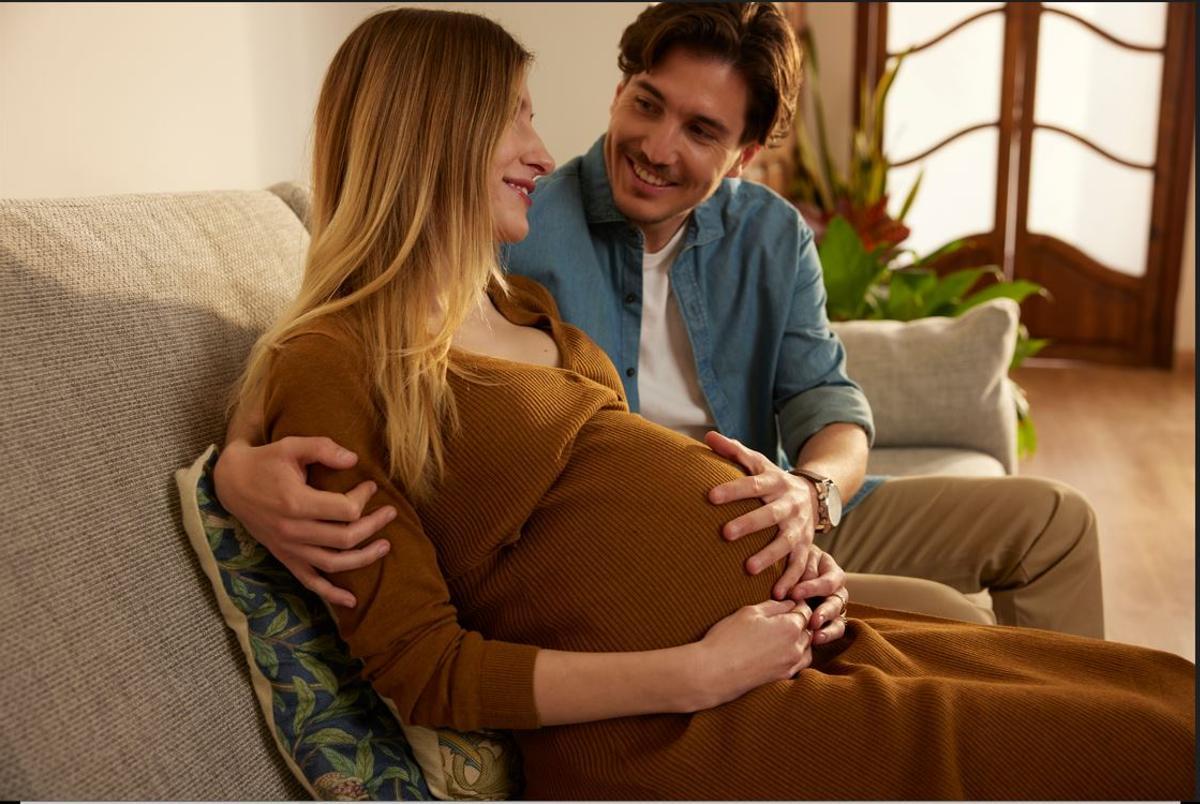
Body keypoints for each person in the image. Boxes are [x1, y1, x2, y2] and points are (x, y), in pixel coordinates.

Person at [233, 7, 1194, 799]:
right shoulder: (499, 251)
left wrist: (810, 512)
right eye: (643, 105)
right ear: (431, 131)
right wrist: (238, 468)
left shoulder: (518, 296)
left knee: (1148, 693)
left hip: (780, 591)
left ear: (741, 154)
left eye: (700, 131)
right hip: (687, 713)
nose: (548, 145)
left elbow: (826, 398)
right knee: (1142, 740)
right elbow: (326, 334)